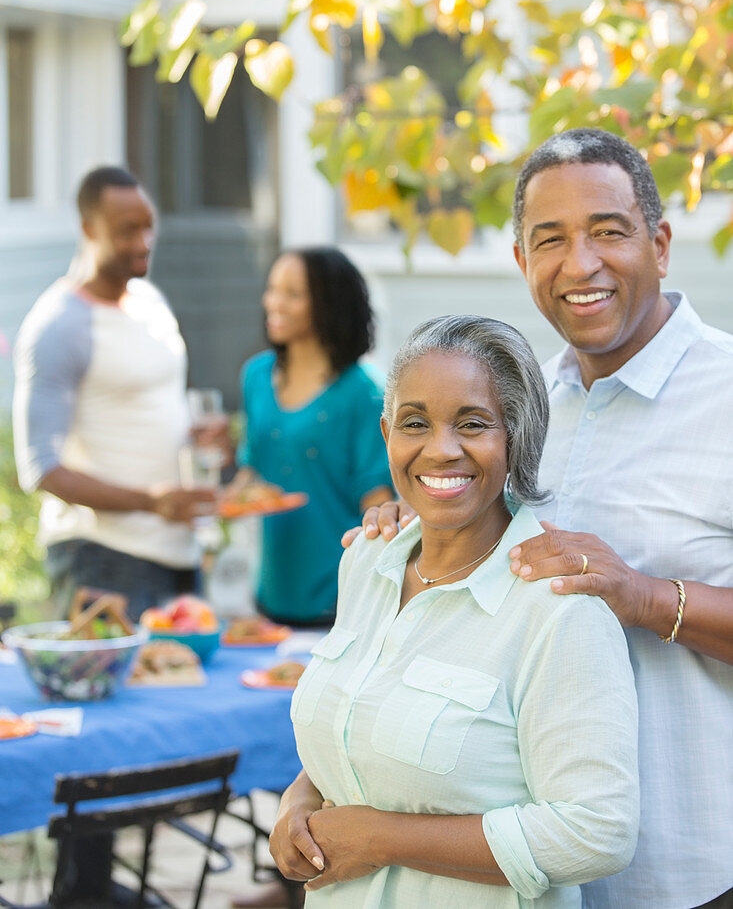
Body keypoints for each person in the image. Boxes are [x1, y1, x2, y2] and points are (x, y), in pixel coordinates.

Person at [347, 128, 733, 909]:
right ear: (521, 261)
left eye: (608, 232)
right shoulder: (519, 410)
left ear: (658, 244)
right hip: (529, 874)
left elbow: (630, 596)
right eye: (548, 239)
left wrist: (646, 597)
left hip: (697, 864)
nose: (579, 264)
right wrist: (417, 514)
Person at [269, 314, 639, 906]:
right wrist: (300, 800)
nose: (441, 450)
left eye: (472, 424)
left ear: (515, 439)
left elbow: (597, 834)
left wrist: (385, 839)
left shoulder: (559, 608)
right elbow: (364, 726)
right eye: (416, 423)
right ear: (387, 432)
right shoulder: (365, 565)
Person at [13, 166, 215, 626]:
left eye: (148, 227)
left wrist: (197, 433)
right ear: (89, 230)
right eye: (127, 231)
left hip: (180, 551)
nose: (144, 241)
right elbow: (40, 468)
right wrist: (150, 501)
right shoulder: (59, 325)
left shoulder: (151, 303)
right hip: (103, 559)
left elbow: (149, 407)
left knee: (180, 688)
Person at [225, 247, 393, 628]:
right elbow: (252, 470)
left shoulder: (365, 393)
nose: (274, 303)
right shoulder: (255, 375)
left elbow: (377, 499)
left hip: (339, 599)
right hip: (269, 595)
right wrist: (220, 500)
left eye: (293, 294)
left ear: (328, 304)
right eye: (272, 289)